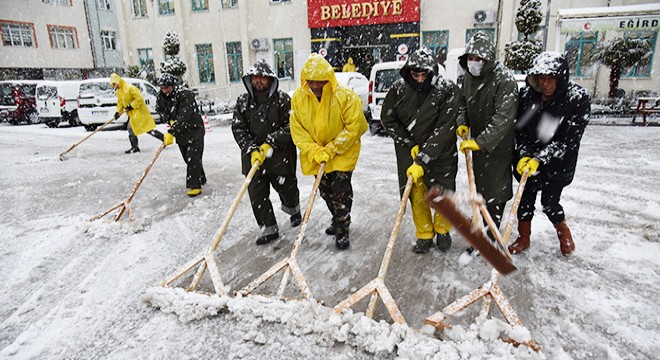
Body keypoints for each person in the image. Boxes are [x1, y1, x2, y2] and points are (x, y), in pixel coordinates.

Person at [508, 52, 590, 256]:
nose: (546, 84)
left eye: (551, 79)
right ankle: (523, 237)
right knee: (524, 200)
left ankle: (564, 233)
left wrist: (540, 158)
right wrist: (526, 154)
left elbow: (570, 140)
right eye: (541, 79)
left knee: (550, 202)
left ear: (561, 78)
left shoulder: (576, 98)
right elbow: (520, 130)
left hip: (557, 164)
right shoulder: (527, 96)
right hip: (529, 163)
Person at [381, 48, 460, 254]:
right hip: (411, 153)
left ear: (433, 72)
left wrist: (425, 156)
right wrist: (408, 143)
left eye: (424, 74)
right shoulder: (398, 90)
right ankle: (424, 234)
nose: (419, 79)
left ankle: (443, 231)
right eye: (415, 75)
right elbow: (388, 119)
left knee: (442, 193)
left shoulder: (447, 90)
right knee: (418, 195)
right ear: (408, 72)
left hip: (441, 153)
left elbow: (445, 127)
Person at [289, 53, 368, 250]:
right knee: (324, 191)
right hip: (317, 155)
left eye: (320, 82)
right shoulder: (299, 99)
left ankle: (343, 229)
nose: (316, 86)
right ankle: (337, 219)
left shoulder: (345, 96)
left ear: (328, 79)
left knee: (340, 192)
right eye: (311, 82)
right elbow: (297, 130)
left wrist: (332, 148)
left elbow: (355, 127)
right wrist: (315, 150)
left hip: (342, 153)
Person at [455, 31, 519, 253]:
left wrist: (481, 142)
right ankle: (482, 232)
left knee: (496, 192)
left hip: (497, 145)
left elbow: (504, 118)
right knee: (480, 189)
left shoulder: (505, 80)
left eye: (478, 59)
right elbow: (462, 103)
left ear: (488, 59)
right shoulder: (468, 78)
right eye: (470, 58)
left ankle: (489, 235)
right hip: (478, 145)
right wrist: (462, 122)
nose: (473, 63)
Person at [232, 60, 302, 245]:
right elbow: (238, 128)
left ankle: (293, 209)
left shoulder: (283, 100)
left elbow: (292, 126)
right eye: (256, 77)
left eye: (263, 77)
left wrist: (272, 142)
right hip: (253, 159)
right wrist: (251, 149)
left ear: (271, 80)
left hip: (279, 157)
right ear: (250, 79)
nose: (259, 81)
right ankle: (268, 228)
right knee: (257, 195)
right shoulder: (242, 102)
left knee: (287, 189)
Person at [155, 73, 207, 197]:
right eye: (162, 88)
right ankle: (200, 177)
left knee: (193, 157)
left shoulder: (185, 94)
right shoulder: (162, 96)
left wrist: (172, 130)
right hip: (180, 131)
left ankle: (195, 186)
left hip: (194, 129)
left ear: (173, 85)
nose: (164, 90)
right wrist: (169, 120)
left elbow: (185, 114)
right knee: (187, 158)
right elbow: (160, 110)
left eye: (166, 87)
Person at [110, 73, 163, 154]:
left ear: (118, 81)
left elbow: (139, 99)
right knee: (146, 129)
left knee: (133, 128)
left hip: (140, 112)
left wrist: (131, 106)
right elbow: (120, 103)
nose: (114, 86)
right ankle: (164, 138)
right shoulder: (119, 92)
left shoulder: (130, 88)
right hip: (133, 114)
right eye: (113, 84)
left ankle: (135, 147)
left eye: (115, 83)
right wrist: (118, 112)